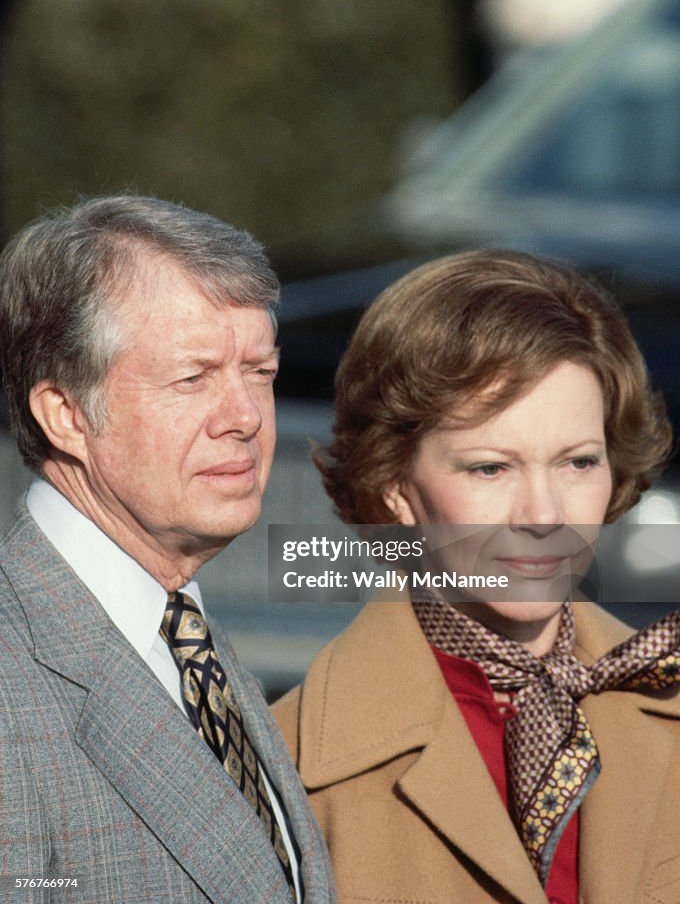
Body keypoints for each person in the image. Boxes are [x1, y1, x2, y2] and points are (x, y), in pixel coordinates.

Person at [273, 250, 680, 904]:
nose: (544, 515)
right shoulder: (285, 768)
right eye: (491, 468)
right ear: (394, 486)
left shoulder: (664, 701)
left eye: (577, 462)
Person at [0, 195, 336, 904]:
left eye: (260, 374)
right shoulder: (16, 675)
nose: (245, 417)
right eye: (194, 378)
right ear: (65, 414)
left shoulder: (184, 632)